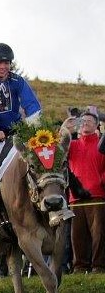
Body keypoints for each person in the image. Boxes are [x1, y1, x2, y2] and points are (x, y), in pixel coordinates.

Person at [0, 42, 42, 159]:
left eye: (6, 63)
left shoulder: (18, 81)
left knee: (34, 153)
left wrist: (35, 126)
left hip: (14, 128)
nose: (3, 67)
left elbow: (31, 104)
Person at [64, 110, 105, 273]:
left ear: (96, 125)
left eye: (89, 120)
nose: (86, 122)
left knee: (99, 234)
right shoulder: (72, 145)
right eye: (83, 120)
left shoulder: (101, 144)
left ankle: (98, 266)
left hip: (98, 196)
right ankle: (80, 266)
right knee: (77, 236)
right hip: (76, 197)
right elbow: (58, 150)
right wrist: (64, 128)